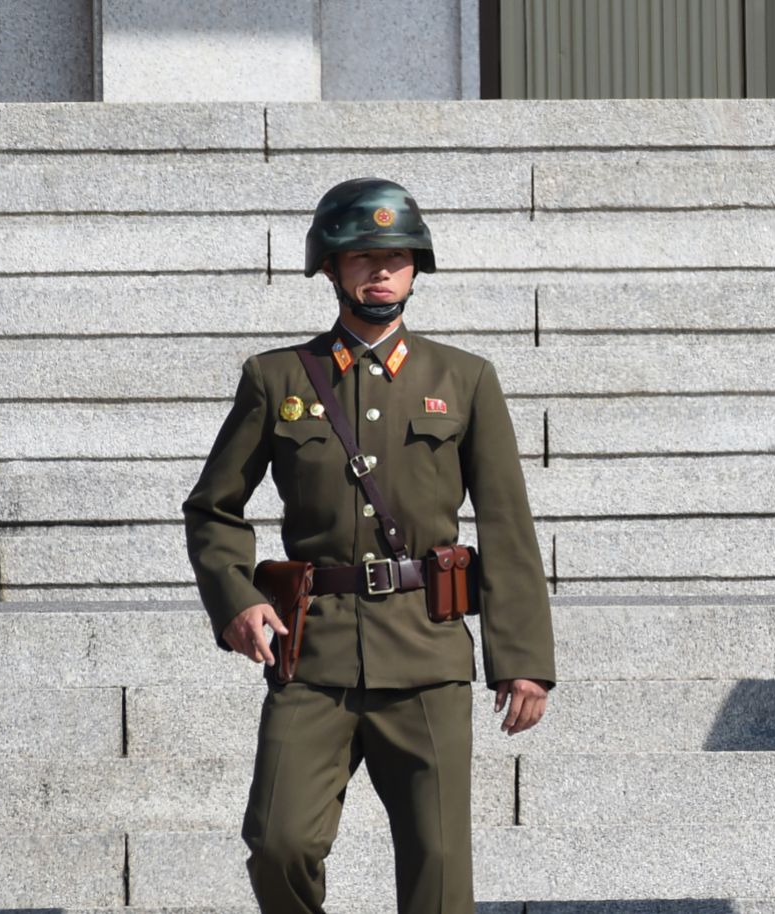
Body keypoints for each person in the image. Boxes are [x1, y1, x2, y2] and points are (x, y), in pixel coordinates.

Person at [183, 177, 556, 913]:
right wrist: (237, 599)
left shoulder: (465, 380)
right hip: (313, 656)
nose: (379, 270)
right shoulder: (278, 378)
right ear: (330, 267)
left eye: (395, 255)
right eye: (360, 256)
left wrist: (523, 663)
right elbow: (213, 507)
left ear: (417, 268)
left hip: (427, 654)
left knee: (441, 868)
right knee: (279, 843)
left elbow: (507, 526)